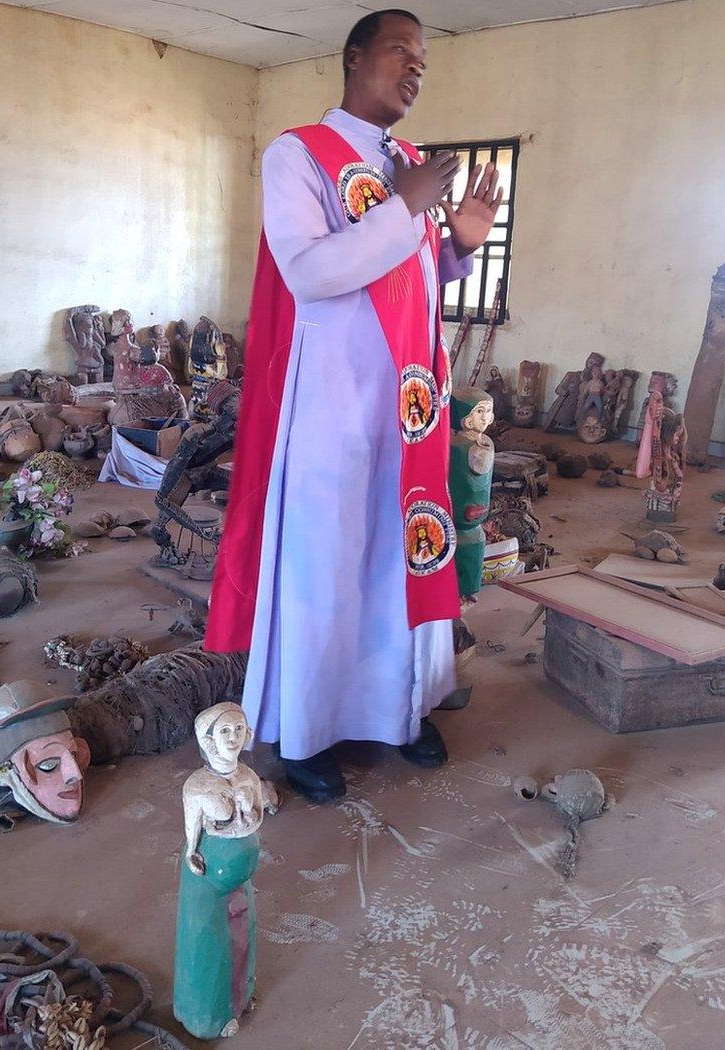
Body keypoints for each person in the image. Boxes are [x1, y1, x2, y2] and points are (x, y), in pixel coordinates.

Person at [205, 9, 504, 802]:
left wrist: (459, 248)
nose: (415, 68)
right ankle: (305, 734)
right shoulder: (297, 152)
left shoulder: (406, 161)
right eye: (400, 52)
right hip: (332, 403)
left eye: (424, 61)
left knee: (394, 556)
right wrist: (404, 208)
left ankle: (399, 712)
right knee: (328, 564)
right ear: (353, 57)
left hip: (404, 405)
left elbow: (405, 276)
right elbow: (309, 271)